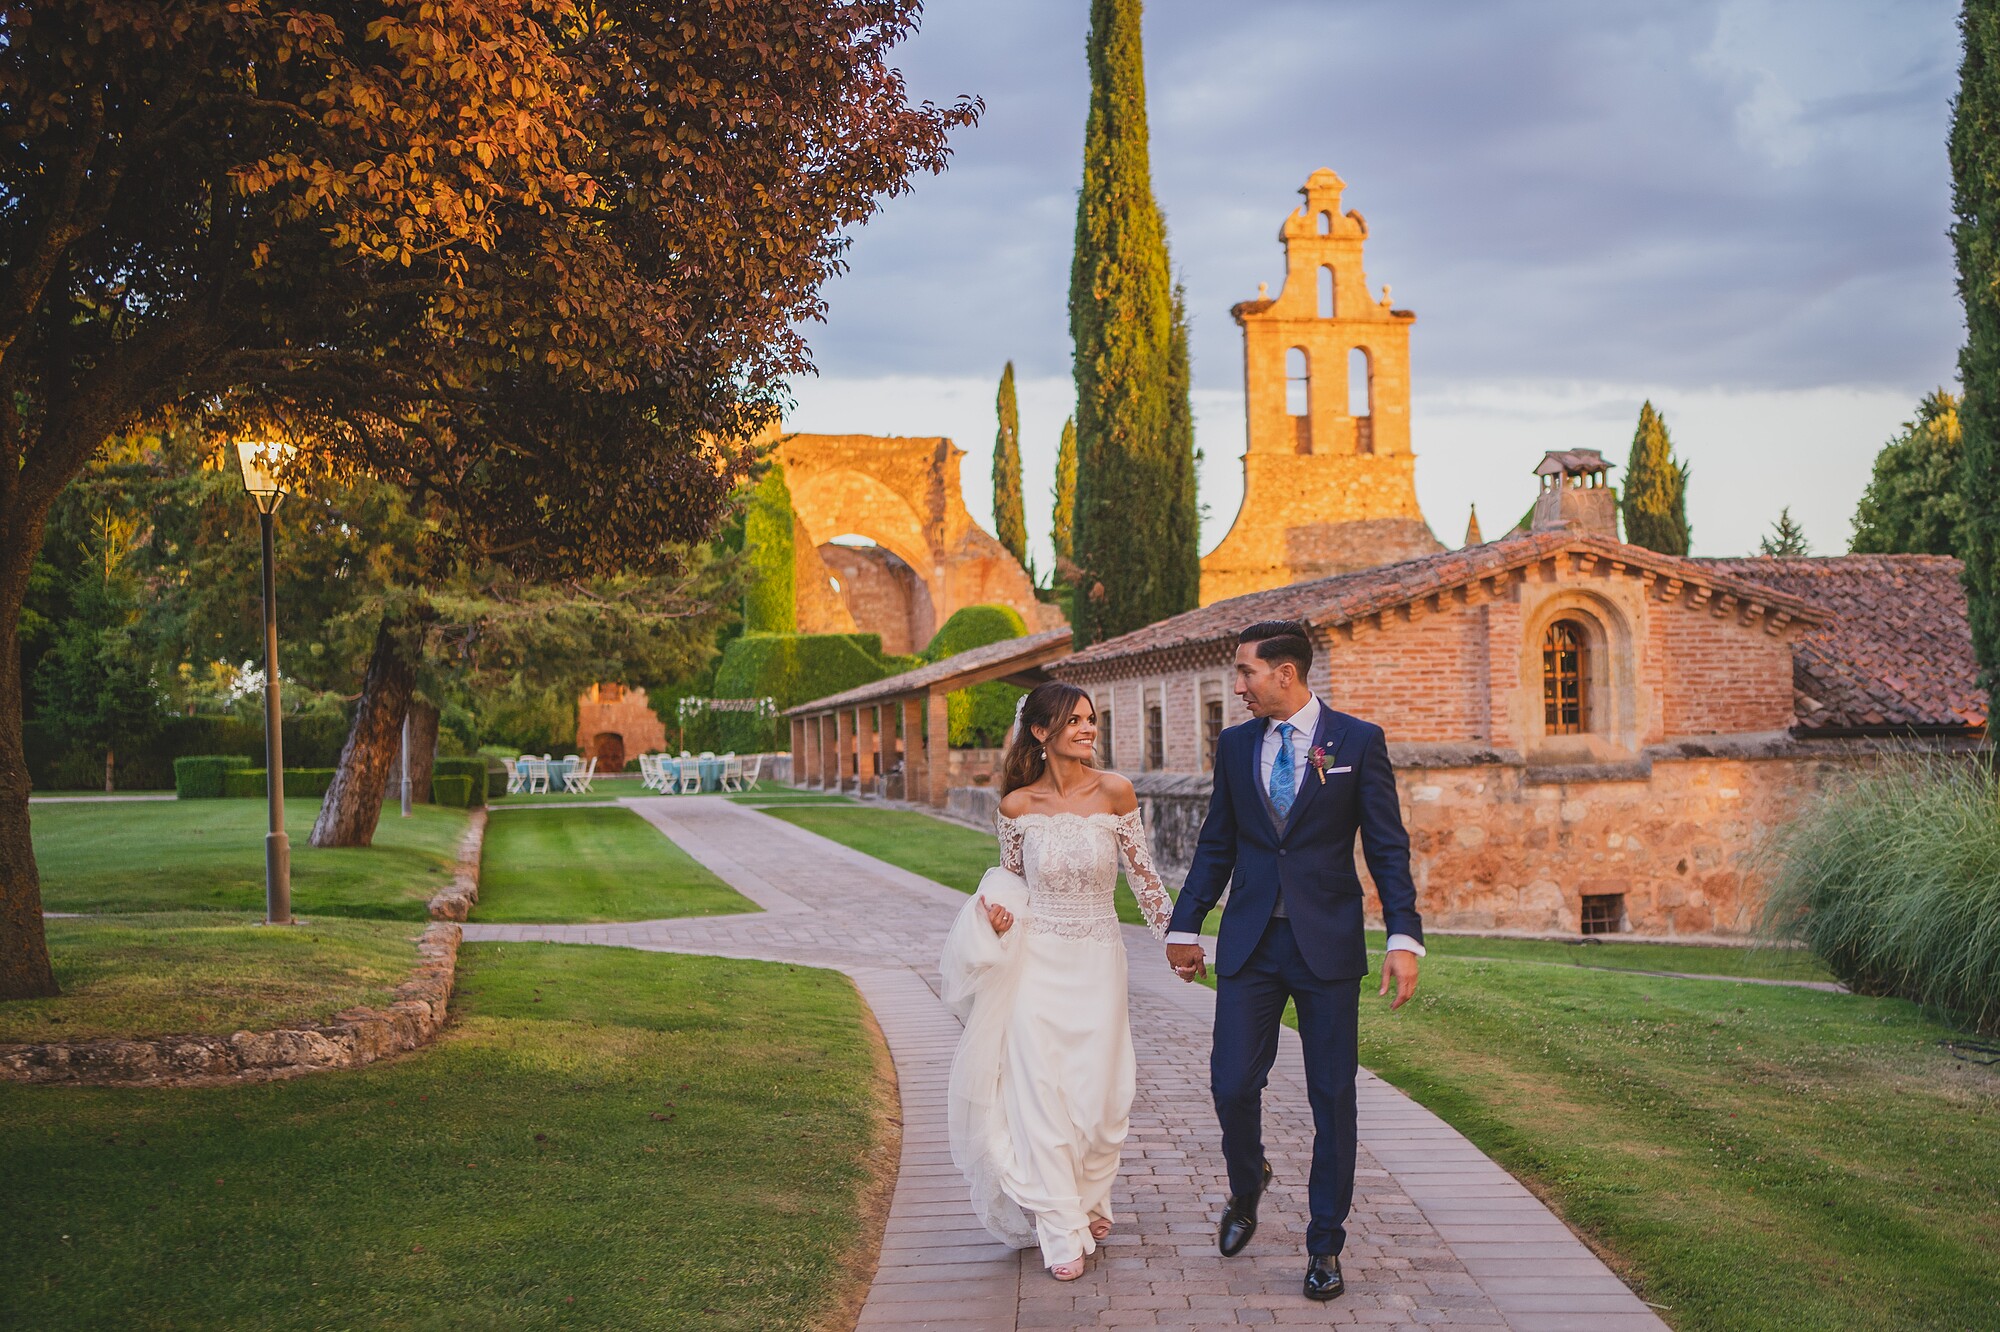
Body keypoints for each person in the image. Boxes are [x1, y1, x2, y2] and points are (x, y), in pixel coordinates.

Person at [1163, 620, 1425, 1303]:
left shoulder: (1357, 742)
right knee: (1230, 1084)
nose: (1238, 686)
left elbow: (1387, 849)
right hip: (1250, 942)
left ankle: (1325, 1245)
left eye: (1246, 673)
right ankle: (1247, 1186)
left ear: (1286, 673)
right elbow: (1217, 840)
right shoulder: (1236, 744)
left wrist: (1403, 937)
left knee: (1332, 1098)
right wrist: (1185, 922)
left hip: (1327, 946)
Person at [940, 681, 1174, 1281]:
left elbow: (1145, 878)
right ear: (1041, 733)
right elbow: (1009, 883)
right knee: (1040, 1094)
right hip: (1037, 963)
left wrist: (1176, 939)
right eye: (1074, 721)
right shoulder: (1018, 807)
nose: (1088, 729)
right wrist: (994, 915)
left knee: (1102, 1100)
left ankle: (1090, 1196)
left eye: (1090, 720)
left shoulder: (1116, 793)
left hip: (1099, 960)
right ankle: (1060, 1226)